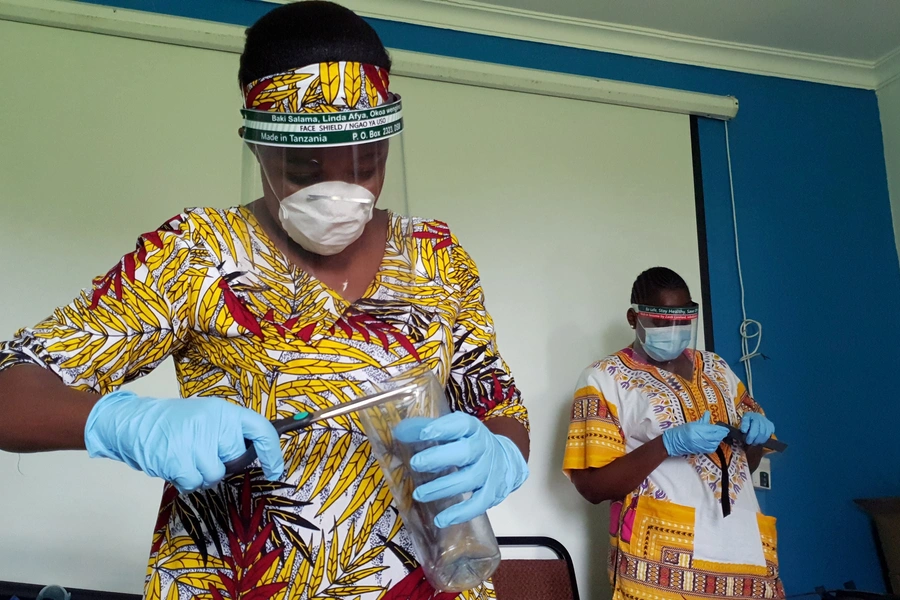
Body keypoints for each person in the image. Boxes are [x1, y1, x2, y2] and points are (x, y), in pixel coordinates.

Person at [0, 3, 529, 599]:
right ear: (257, 150)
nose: (340, 194)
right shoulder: (200, 252)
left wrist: (502, 452)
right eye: (304, 168)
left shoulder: (437, 256)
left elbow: (497, 400)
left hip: (431, 580)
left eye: (367, 163)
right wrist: (122, 423)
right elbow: (10, 393)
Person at [563, 267, 782, 600]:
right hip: (661, 569)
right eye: (661, 322)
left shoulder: (718, 369)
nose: (673, 331)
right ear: (633, 318)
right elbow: (593, 486)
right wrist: (668, 443)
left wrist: (753, 438)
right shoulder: (603, 379)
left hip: (744, 561)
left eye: (682, 322)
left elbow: (738, 468)